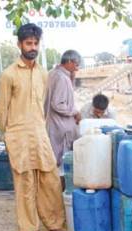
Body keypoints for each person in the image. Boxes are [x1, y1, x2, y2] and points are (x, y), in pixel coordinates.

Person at [0, 23, 73, 231]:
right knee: (26, 184)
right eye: (28, 43)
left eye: (35, 43)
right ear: (19, 44)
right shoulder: (8, 75)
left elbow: (44, 107)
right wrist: (8, 138)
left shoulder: (43, 73)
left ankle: (55, 226)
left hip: (40, 135)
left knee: (50, 180)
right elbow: (2, 112)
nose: (32, 47)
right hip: (18, 137)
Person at [44, 49, 81, 190]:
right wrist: (75, 112)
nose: (77, 69)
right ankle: (57, 195)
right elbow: (57, 103)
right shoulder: (61, 78)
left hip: (56, 126)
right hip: (60, 128)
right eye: (76, 65)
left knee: (56, 163)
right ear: (70, 62)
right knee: (60, 165)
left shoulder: (55, 74)